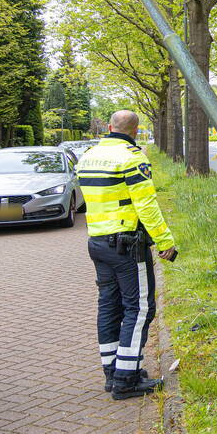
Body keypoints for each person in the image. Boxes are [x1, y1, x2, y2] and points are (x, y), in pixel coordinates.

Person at [77, 110, 177, 400]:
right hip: (127, 244)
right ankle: (126, 380)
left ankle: (113, 371)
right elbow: (146, 206)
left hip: (97, 242)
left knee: (109, 305)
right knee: (140, 308)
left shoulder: (88, 157)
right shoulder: (132, 158)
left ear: (109, 127)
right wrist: (164, 240)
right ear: (135, 131)